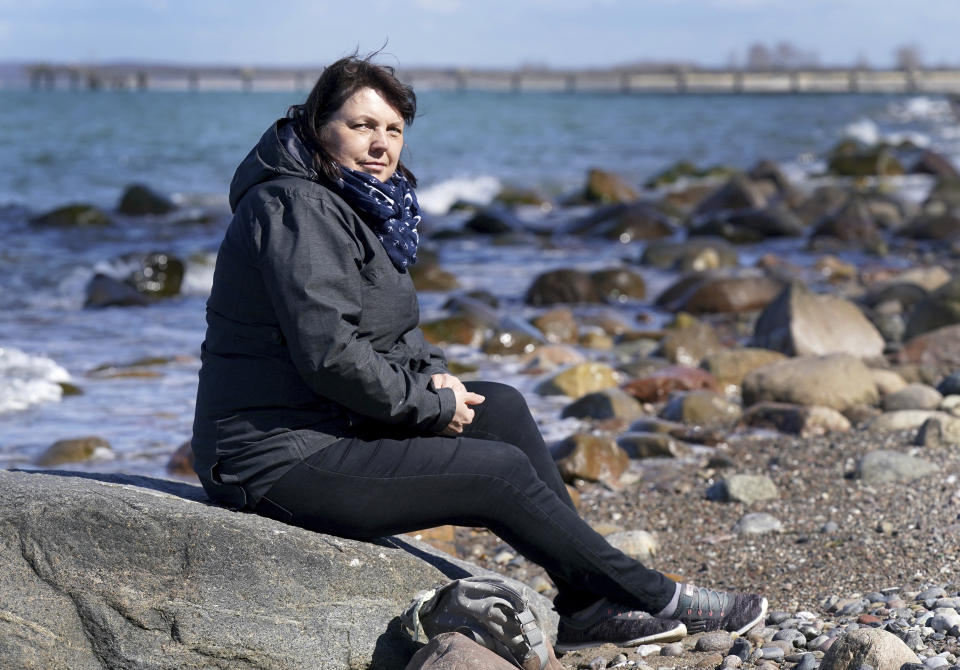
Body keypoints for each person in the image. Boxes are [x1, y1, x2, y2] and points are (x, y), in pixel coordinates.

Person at [190, 52, 767, 652]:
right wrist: (431, 409)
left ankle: (588, 604)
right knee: (498, 473)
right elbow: (331, 355)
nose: (380, 144)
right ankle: (659, 596)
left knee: (502, 407)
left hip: (333, 424)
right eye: (361, 126)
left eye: (392, 130)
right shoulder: (292, 207)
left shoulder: (356, 206)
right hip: (271, 457)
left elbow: (391, 334)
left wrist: (438, 382)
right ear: (317, 126)